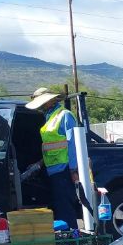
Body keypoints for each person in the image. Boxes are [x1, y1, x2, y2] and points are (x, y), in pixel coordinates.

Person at [24, 87, 79, 226]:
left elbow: (73, 144)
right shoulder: (49, 117)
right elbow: (52, 146)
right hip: (54, 170)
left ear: (50, 100)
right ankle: (66, 238)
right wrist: (39, 163)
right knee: (60, 207)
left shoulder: (64, 115)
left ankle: (72, 240)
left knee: (66, 208)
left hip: (64, 170)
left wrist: (73, 170)